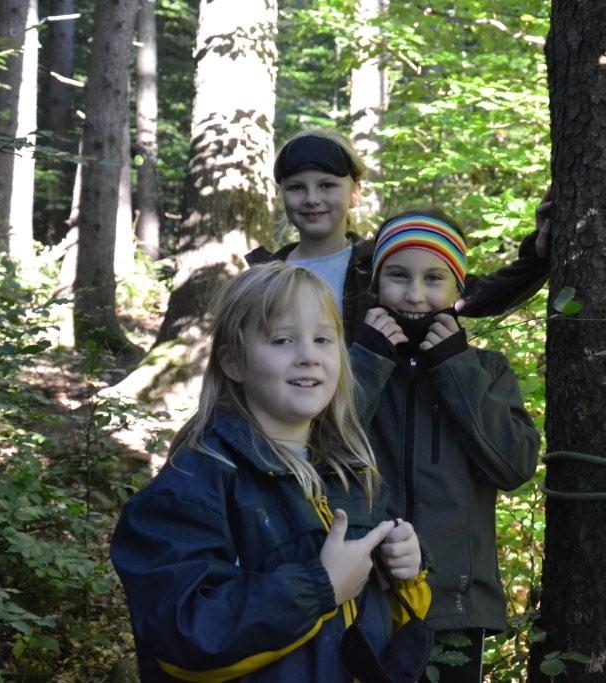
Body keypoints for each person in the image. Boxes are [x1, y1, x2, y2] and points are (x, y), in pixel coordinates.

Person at [111, 262, 432, 682]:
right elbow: (181, 636)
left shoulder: (352, 470)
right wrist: (320, 588)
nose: (308, 357)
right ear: (233, 362)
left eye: (323, 339)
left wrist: (406, 570)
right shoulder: (195, 483)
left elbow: (381, 622)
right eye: (282, 340)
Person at [348, 211, 541, 682]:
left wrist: (455, 367)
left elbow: (514, 466)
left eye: (434, 278)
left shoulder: (487, 370)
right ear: (376, 285)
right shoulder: (347, 365)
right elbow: (322, 448)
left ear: (458, 287)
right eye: (398, 276)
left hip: (454, 606)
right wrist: (367, 361)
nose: (415, 295)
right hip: (360, 595)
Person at [244, 129, 553, 343]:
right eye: (296, 188)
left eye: (327, 186)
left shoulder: (381, 265)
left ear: (355, 193)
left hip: (372, 418)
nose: (312, 199)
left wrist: (538, 258)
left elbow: (477, 295)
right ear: (281, 194)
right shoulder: (263, 278)